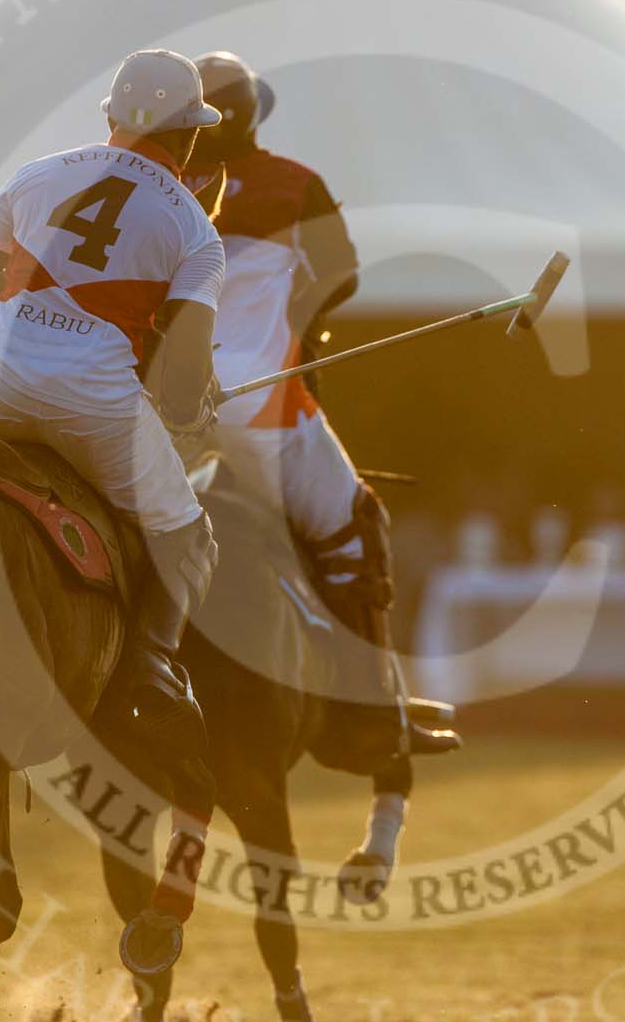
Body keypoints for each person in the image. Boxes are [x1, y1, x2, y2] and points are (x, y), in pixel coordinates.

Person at [0, 49, 224, 752]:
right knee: (190, 535)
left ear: (115, 118)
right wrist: (191, 406)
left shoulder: (38, 173)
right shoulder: (194, 227)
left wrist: (28, 311)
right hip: (92, 409)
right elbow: (182, 378)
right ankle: (148, 672)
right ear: (189, 135)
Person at [184, 50, 457, 767]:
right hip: (254, 403)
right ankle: (369, 709)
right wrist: (299, 321)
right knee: (354, 526)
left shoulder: (156, 186)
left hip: (157, 406)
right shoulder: (294, 183)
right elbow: (341, 275)